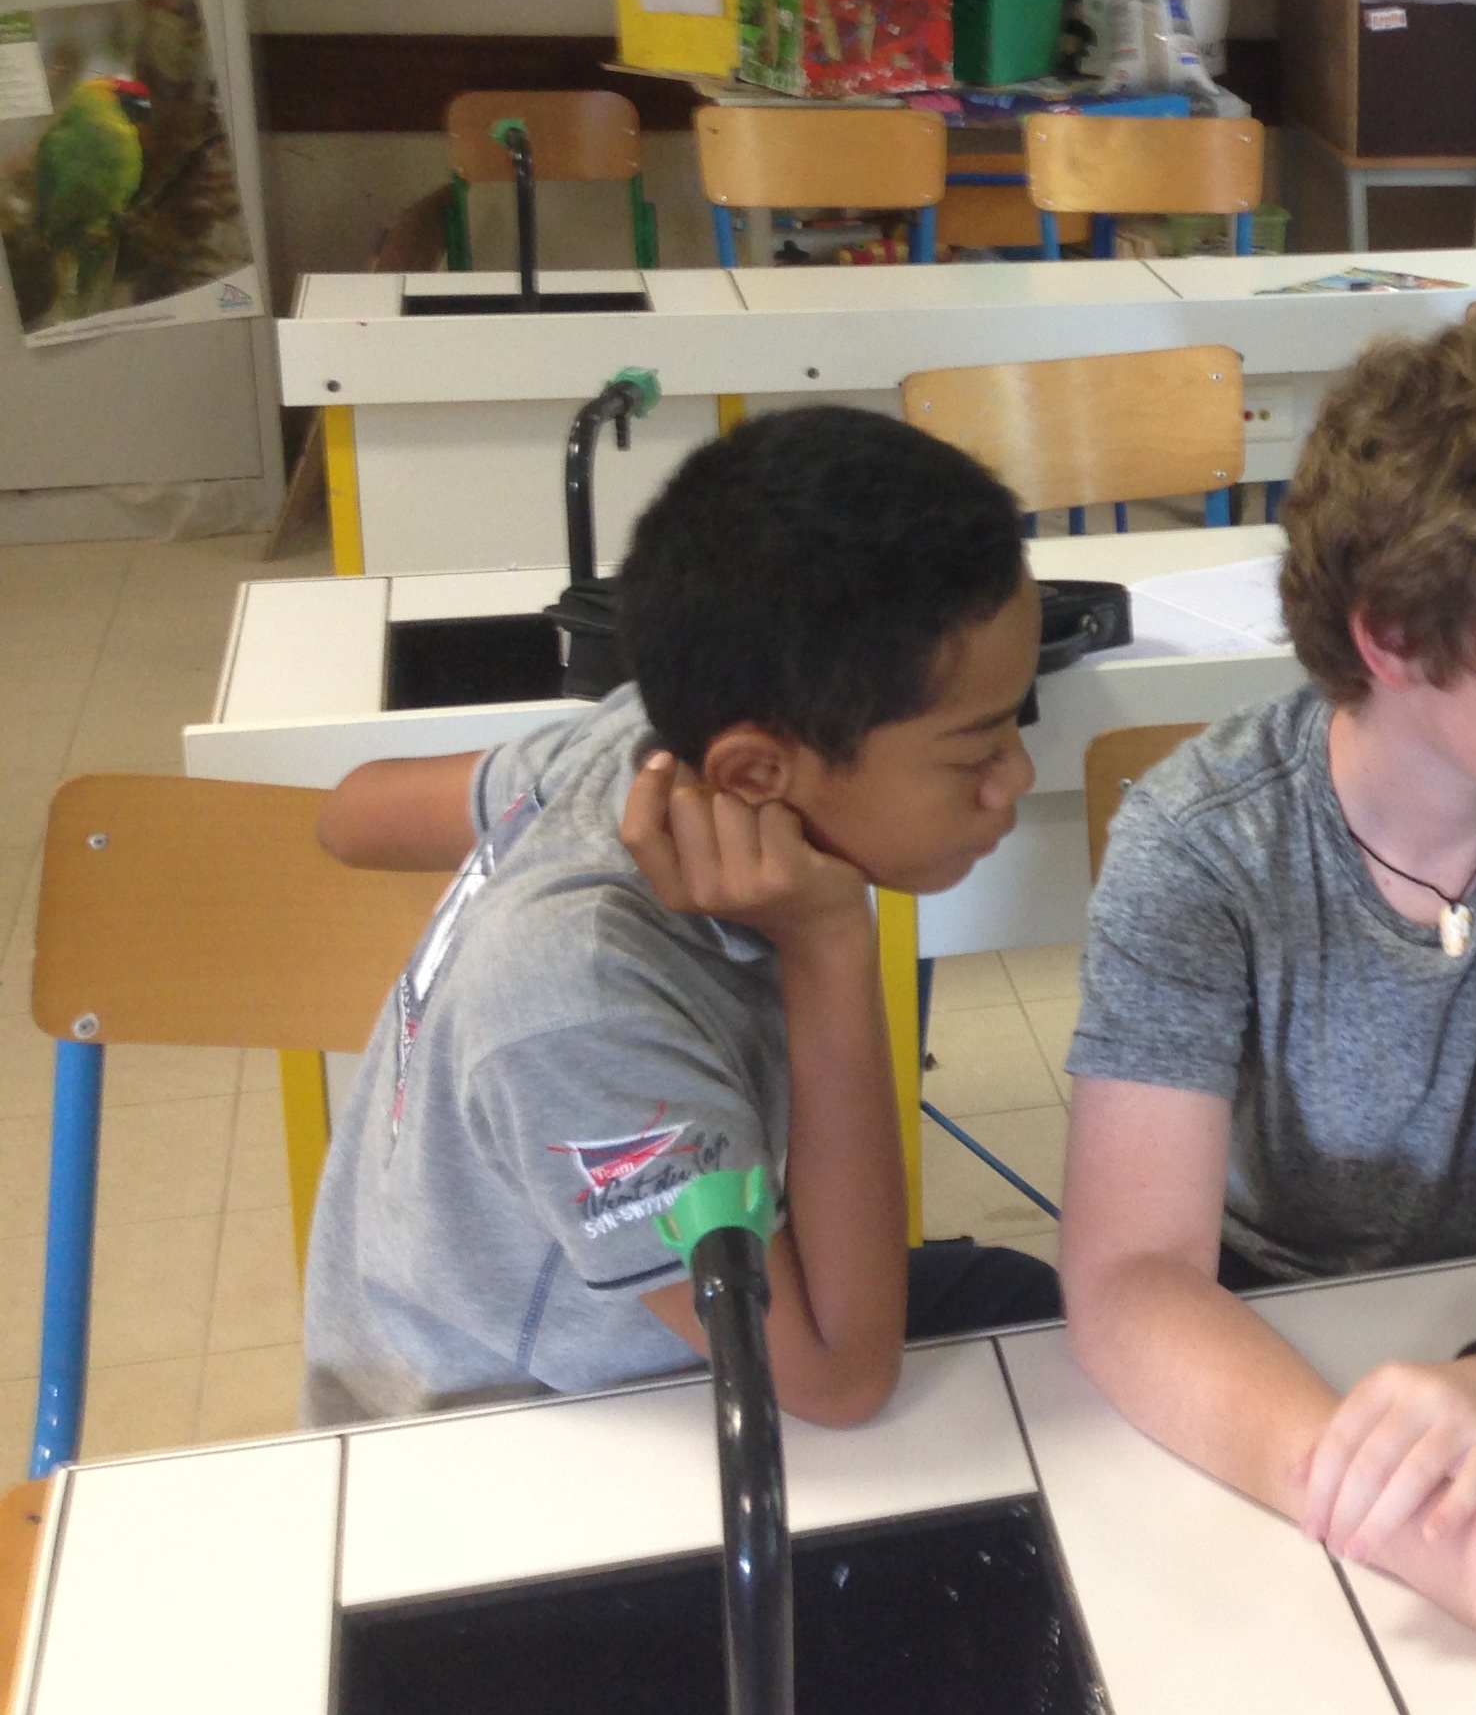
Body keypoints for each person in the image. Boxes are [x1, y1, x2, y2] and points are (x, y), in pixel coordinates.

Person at [1061, 318, 1476, 1658]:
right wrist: (1411, 1523)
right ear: (1394, 640)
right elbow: (1133, 1276)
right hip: (1275, 1347)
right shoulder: (1201, 844)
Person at [300, 407, 1057, 1429]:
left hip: (637, 1338)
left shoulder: (641, 743)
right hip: (512, 1431)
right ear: (756, 774)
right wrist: (829, 946)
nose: (1018, 777)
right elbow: (838, 1381)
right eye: (976, 750)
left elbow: (349, 815)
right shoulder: (578, 1002)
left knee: (1027, 1304)